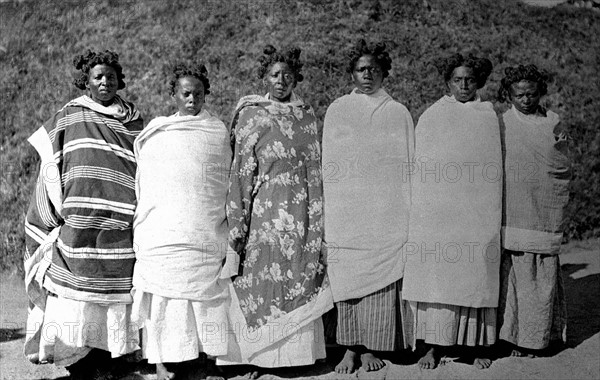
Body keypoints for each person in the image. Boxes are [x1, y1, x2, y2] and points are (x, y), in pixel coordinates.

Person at [24, 50, 143, 378]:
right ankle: (80, 360)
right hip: (80, 222)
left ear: (120, 79)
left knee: (116, 292)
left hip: (121, 224)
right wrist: (56, 205)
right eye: (97, 77)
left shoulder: (135, 122)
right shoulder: (71, 115)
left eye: (111, 76)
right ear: (86, 82)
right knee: (79, 295)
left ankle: (113, 356)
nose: (105, 82)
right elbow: (52, 162)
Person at [218, 45, 333, 378]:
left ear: (296, 76)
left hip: (302, 214)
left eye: (287, 74)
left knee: (299, 276)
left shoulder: (308, 115)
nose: (281, 80)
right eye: (274, 74)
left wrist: (316, 219)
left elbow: (316, 169)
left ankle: (295, 360)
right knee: (262, 283)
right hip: (264, 215)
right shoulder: (251, 114)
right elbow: (241, 171)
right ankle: (257, 358)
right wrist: (237, 228)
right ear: (263, 77)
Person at [131, 63, 237, 380]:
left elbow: (222, 181)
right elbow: (147, 181)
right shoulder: (158, 131)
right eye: (186, 93)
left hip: (204, 226)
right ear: (174, 94)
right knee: (164, 295)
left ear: (206, 95)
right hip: (163, 228)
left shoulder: (216, 132)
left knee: (205, 293)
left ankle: (204, 359)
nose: (192, 99)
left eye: (198, 94)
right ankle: (161, 360)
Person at [401, 53, 501, 369]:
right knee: (439, 276)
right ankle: (433, 346)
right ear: (447, 82)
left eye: (470, 80)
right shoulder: (433, 115)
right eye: (457, 80)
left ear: (479, 82)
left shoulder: (487, 115)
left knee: (474, 274)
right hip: (441, 212)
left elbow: (491, 168)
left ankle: (474, 346)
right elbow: (424, 165)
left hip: (475, 211)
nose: (463, 86)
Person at [321, 39, 414, 374]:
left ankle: (373, 347)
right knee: (346, 275)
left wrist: (404, 210)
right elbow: (329, 163)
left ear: (385, 73)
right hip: (347, 210)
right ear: (351, 73)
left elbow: (407, 165)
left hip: (384, 211)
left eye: (375, 69)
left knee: (382, 275)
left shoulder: (397, 113)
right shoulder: (338, 110)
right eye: (361, 69)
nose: (368, 75)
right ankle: (347, 349)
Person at [496, 64, 569, 357]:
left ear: (540, 92)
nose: (525, 100)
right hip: (513, 208)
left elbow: (562, 166)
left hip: (543, 208)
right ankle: (511, 338)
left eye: (531, 93)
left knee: (541, 274)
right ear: (508, 95)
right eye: (518, 95)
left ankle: (539, 339)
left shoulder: (554, 122)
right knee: (513, 275)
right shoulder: (502, 123)